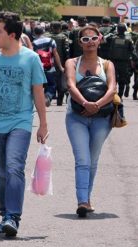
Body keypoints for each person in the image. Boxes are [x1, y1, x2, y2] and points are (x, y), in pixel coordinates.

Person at [0, 11, 48, 237]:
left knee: (15, 167)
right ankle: (5, 214)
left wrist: (43, 124)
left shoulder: (31, 58)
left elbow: (38, 91)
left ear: (12, 34)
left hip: (20, 121)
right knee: (1, 174)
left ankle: (13, 216)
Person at [64, 26, 116, 218]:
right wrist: (86, 103)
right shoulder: (72, 62)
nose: (90, 42)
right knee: (83, 160)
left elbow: (112, 89)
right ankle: (82, 201)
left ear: (99, 40)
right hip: (76, 117)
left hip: (101, 119)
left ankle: (87, 197)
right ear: (80, 43)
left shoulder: (107, 64)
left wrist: (97, 105)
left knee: (92, 161)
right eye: (85, 40)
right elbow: (70, 84)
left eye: (93, 38)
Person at [33, 25, 64, 107]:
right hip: (50, 67)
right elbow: (55, 54)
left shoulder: (34, 43)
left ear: (34, 33)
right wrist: (60, 66)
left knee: (39, 85)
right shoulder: (51, 41)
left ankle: (39, 100)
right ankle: (47, 97)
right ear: (43, 32)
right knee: (51, 84)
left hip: (38, 68)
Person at [45, 21, 70, 105]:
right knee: (60, 83)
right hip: (60, 63)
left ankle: (48, 97)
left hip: (46, 63)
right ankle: (59, 101)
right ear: (60, 28)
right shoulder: (63, 37)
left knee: (48, 82)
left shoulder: (45, 36)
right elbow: (67, 51)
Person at [109, 23, 134, 98]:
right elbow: (132, 51)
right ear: (125, 30)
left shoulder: (113, 39)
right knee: (122, 81)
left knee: (113, 80)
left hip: (113, 62)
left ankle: (113, 95)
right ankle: (120, 96)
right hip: (124, 63)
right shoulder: (128, 40)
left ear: (117, 30)